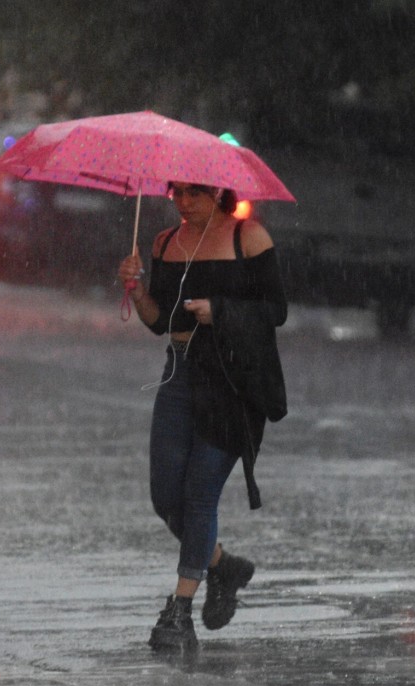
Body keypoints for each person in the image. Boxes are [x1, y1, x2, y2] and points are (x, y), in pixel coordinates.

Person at [116, 181, 288, 653]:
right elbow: (159, 322)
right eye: (176, 193)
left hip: (233, 383)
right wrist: (135, 287)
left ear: (217, 191)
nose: (183, 202)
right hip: (180, 376)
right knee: (165, 495)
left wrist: (222, 312)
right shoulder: (165, 243)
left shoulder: (248, 238)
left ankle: (178, 610)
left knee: (199, 494)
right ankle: (222, 565)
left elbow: (276, 310)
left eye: (194, 193)